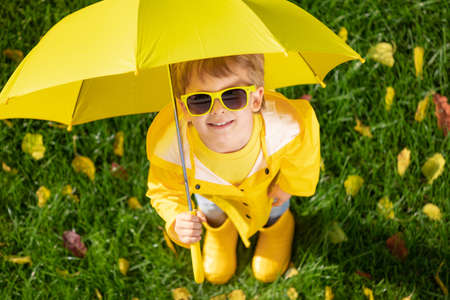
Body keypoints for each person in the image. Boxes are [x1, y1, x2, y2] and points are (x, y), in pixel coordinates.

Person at [145, 54, 320, 284]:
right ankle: (219, 228)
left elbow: (303, 156)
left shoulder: (283, 128)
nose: (218, 109)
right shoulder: (175, 149)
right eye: (200, 100)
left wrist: (287, 186)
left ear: (256, 99)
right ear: (184, 108)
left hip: (269, 190)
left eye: (233, 96)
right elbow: (163, 189)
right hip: (213, 195)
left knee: (274, 207)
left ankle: (277, 225)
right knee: (211, 209)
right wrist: (176, 219)